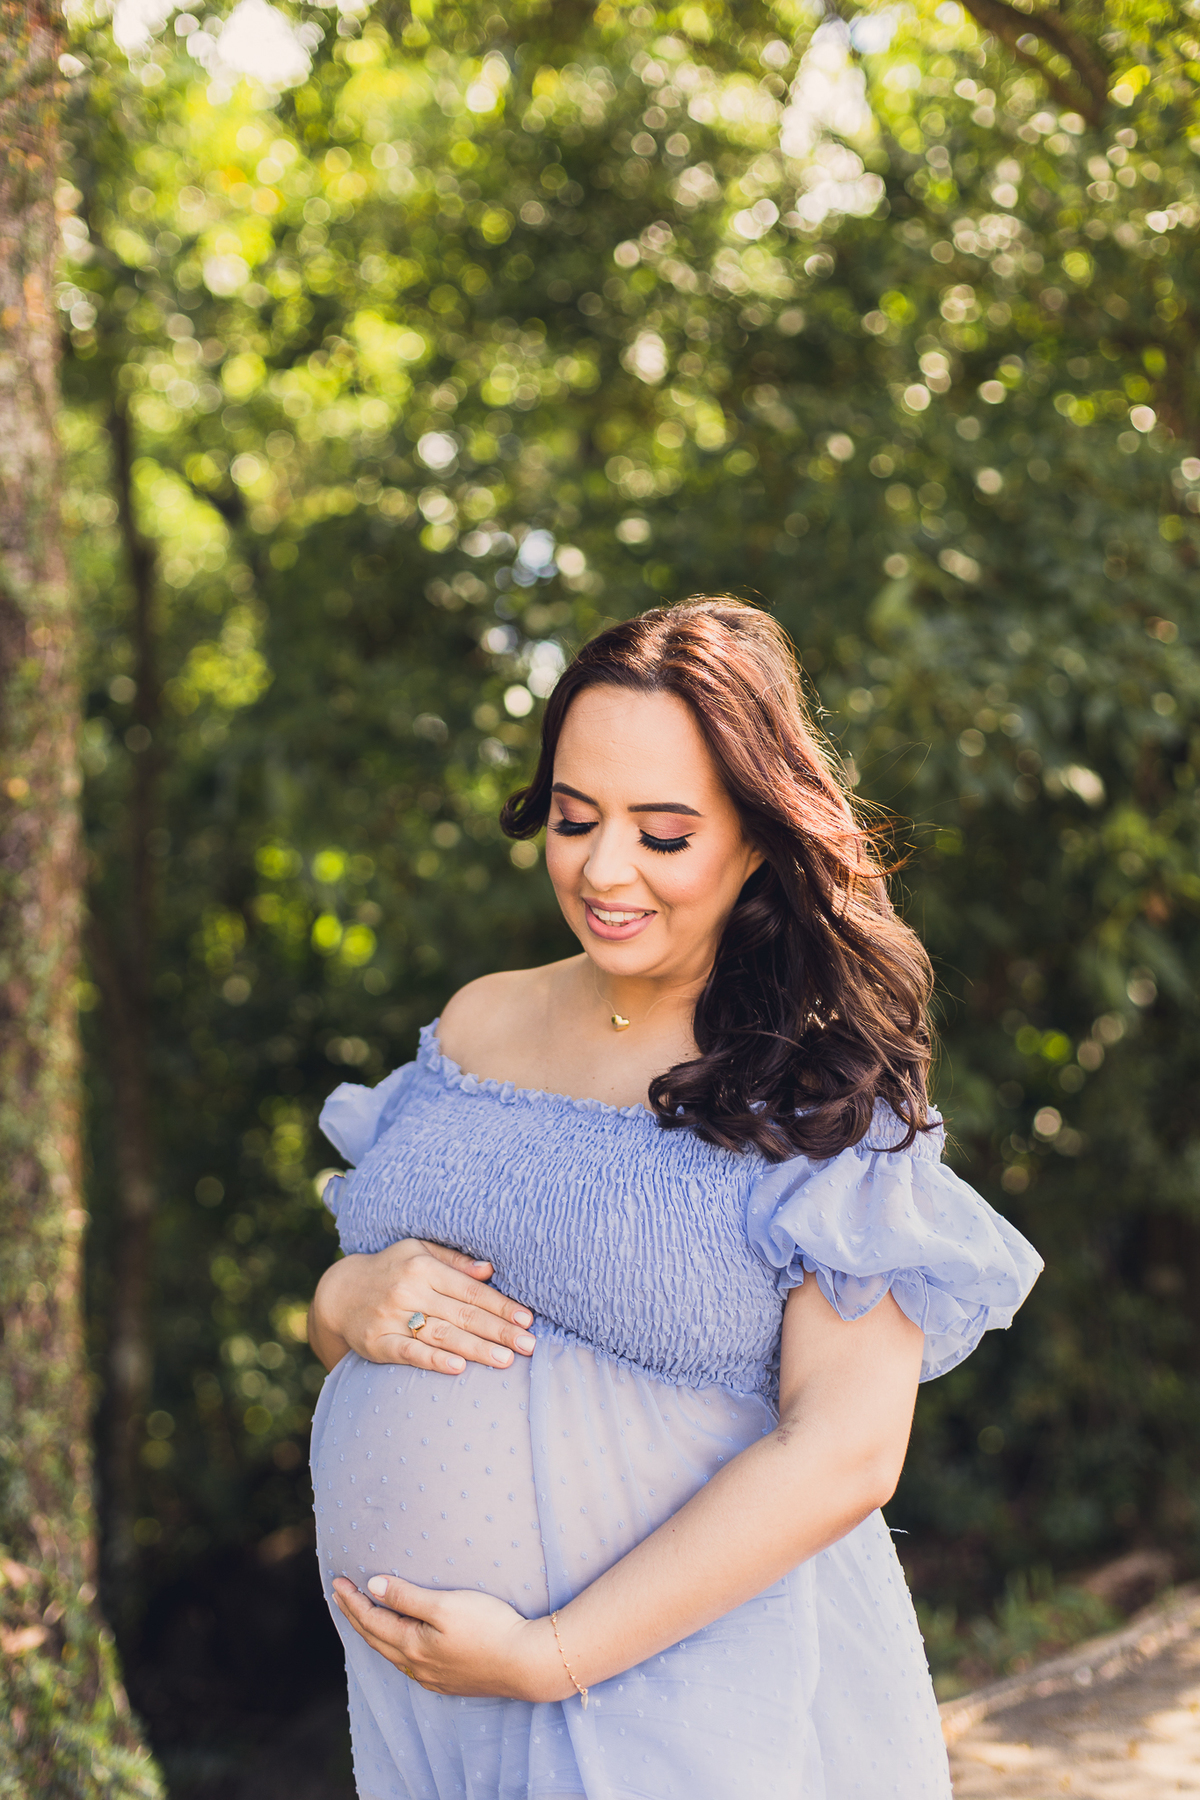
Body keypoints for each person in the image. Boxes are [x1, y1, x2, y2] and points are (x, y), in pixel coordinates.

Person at [306, 598, 1042, 1800]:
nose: (604, 869)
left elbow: (847, 1453)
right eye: (573, 818)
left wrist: (549, 1655)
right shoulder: (478, 1021)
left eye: (663, 833)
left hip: (683, 1707)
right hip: (428, 1708)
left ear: (756, 837)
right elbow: (367, 1332)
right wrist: (343, 1298)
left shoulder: (822, 1091)